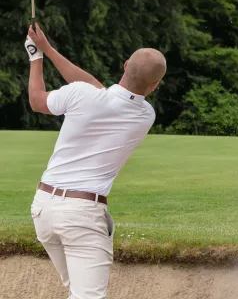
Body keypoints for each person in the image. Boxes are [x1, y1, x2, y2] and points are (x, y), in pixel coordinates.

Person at [24, 24, 167, 299]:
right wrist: (48, 50)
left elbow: (37, 100)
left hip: (43, 208)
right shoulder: (145, 116)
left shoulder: (80, 93)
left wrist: (37, 56)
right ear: (154, 85)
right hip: (82, 215)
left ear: (125, 65)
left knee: (76, 292)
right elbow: (98, 89)